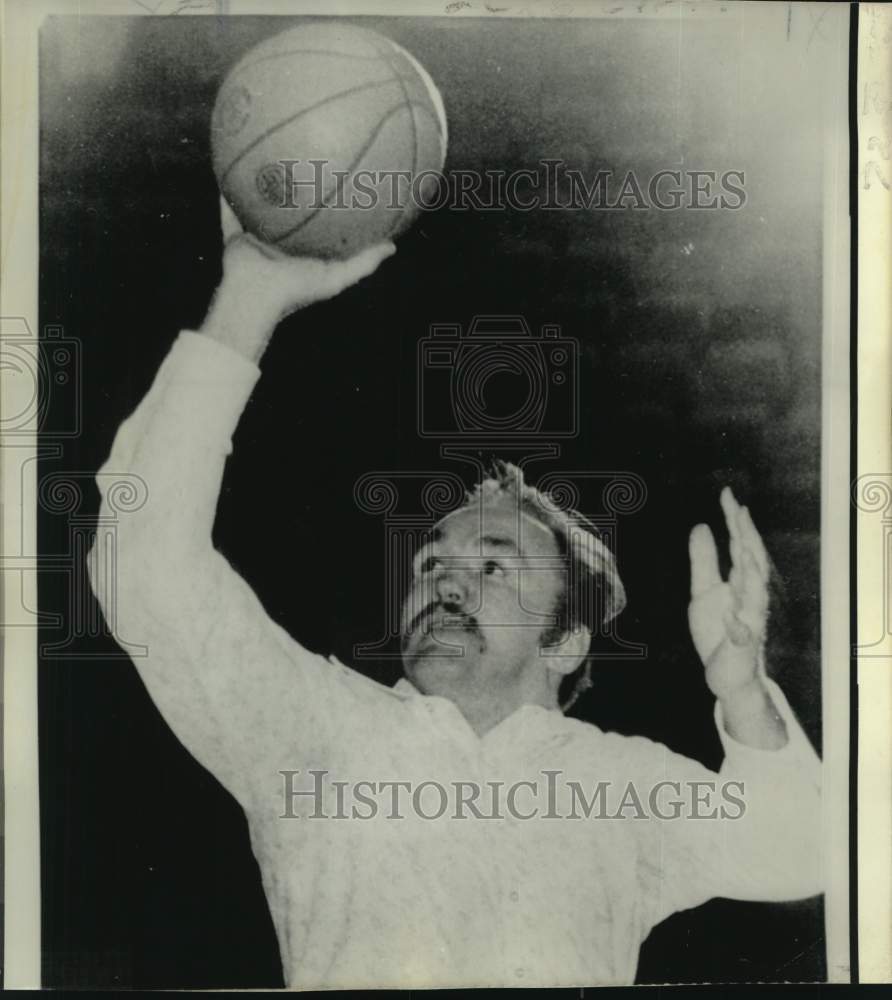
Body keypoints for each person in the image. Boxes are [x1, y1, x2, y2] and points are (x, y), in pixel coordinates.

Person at [87, 198, 822, 989]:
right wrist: (248, 299)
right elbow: (146, 568)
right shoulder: (318, 731)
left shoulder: (617, 783)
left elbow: (797, 852)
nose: (444, 581)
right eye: (430, 564)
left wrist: (745, 694)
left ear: (566, 640)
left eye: (495, 566)